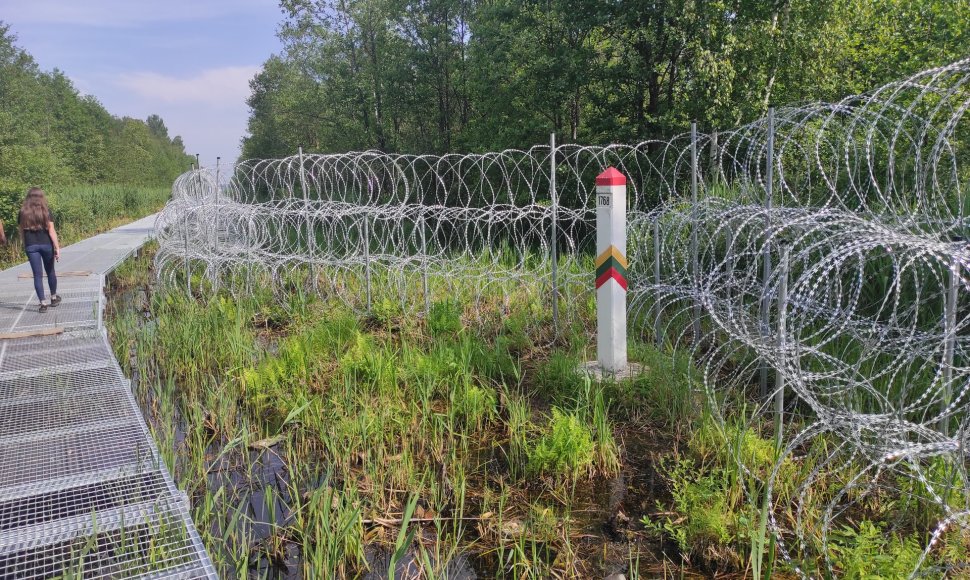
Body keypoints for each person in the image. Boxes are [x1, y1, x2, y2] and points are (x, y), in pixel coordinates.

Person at [18, 187, 61, 312]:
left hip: (31, 246)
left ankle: (43, 304)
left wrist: (25, 244)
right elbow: (51, 230)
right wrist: (57, 247)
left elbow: (21, 230)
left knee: (37, 275)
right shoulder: (46, 211)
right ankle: (53, 298)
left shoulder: (23, 212)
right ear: (41, 198)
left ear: (28, 198)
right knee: (50, 271)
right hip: (46, 245)